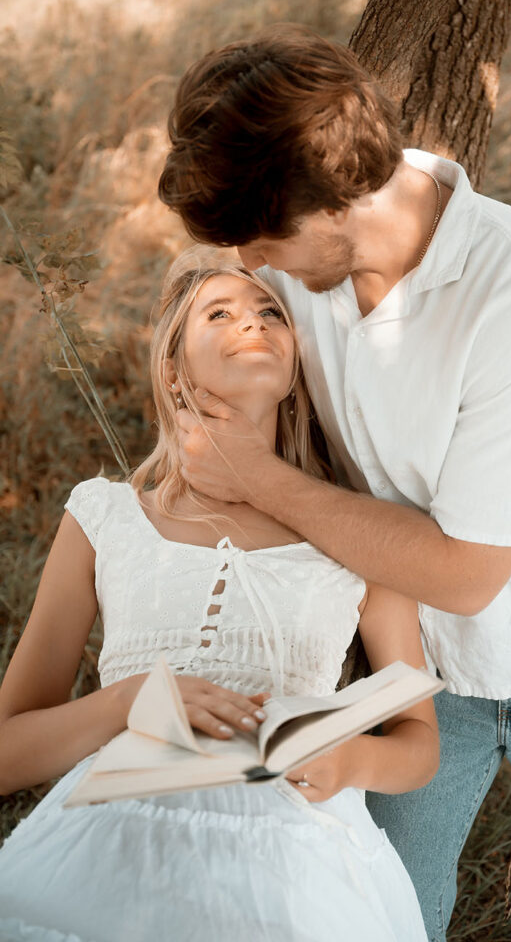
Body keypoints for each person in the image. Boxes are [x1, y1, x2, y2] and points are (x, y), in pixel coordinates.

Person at [157, 25, 511, 942]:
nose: (252, 268)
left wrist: (259, 480)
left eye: (263, 242)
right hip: (411, 661)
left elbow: (470, 573)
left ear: (336, 199)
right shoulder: (299, 274)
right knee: (390, 909)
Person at [0, 245, 438, 942]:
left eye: (271, 313)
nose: (254, 323)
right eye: (221, 312)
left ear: (295, 374)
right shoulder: (105, 518)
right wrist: (126, 702)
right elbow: (7, 751)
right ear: (172, 371)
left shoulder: (358, 529)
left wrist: (352, 759)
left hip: (296, 857)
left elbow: (419, 742)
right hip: (114, 844)